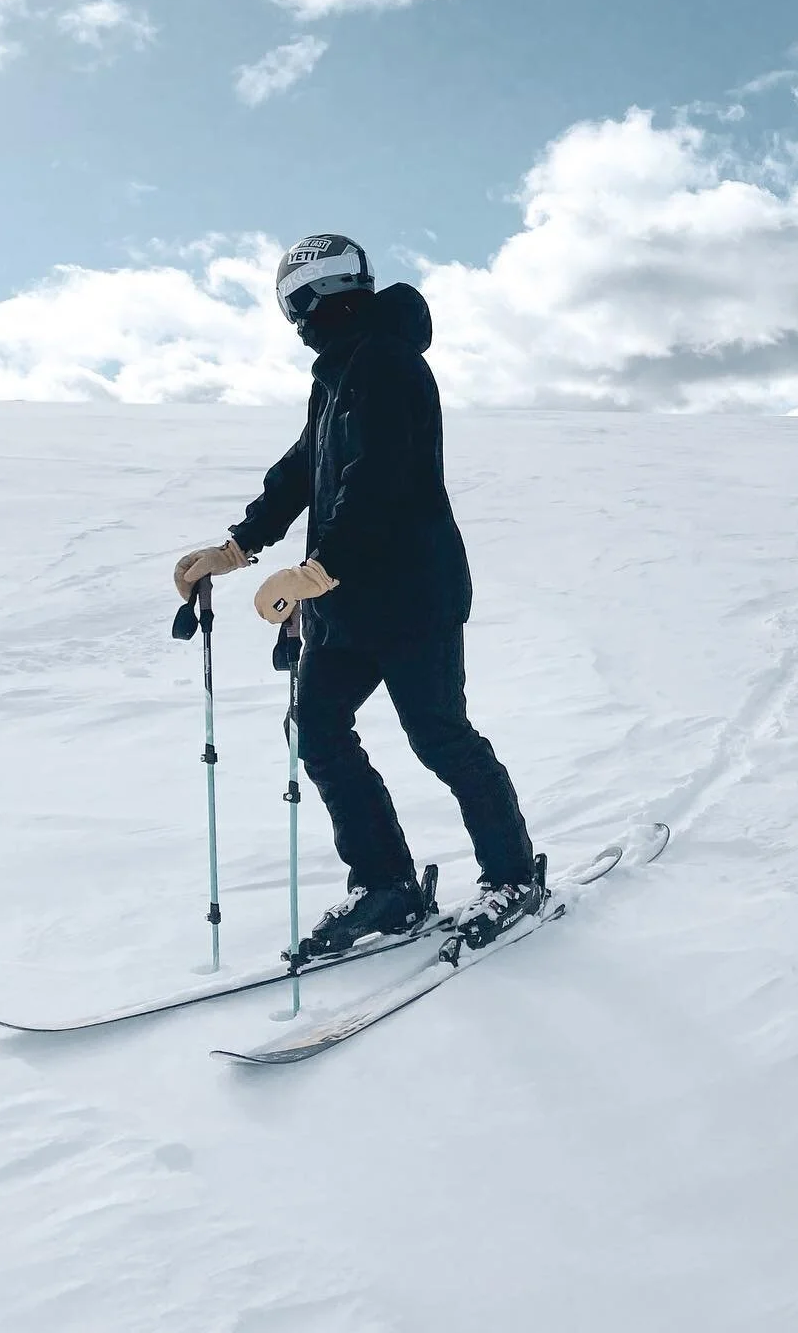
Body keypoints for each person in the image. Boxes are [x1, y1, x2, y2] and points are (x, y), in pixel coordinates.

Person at [173, 233, 539, 955]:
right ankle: (386, 885)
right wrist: (240, 546)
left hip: (413, 596)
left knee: (440, 737)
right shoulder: (338, 374)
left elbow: (380, 479)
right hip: (346, 605)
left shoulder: (389, 363)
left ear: (313, 295)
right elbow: (303, 468)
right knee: (317, 730)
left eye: (294, 304)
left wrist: (317, 569)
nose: (295, 320)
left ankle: (513, 876)